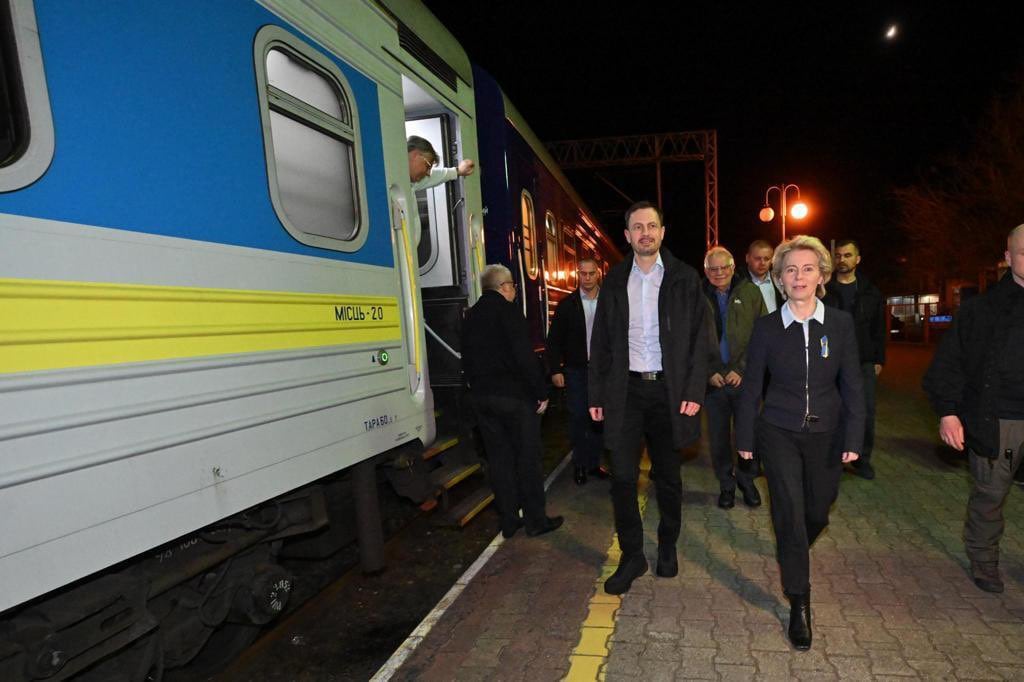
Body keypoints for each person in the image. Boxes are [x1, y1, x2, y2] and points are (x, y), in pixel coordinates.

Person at [736, 235, 864, 650]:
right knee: (789, 515)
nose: (799, 276)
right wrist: (744, 437)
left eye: (808, 268)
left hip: (827, 434)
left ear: (822, 275)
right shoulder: (767, 328)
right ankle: (800, 601)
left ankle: (795, 549)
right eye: (790, 269)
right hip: (778, 432)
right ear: (778, 278)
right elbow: (752, 384)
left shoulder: (841, 324)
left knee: (817, 512)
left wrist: (854, 434)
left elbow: (854, 386)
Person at [589, 201, 709, 595]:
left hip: (668, 391)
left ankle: (668, 544)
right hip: (625, 392)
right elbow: (602, 342)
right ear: (627, 235)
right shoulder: (614, 280)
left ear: (662, 232)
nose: (645, 233)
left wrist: (693, 390)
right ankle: (632, 555)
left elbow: (699, 340)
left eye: (652, 226)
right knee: (622, 476)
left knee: (668, 477)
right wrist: (596, 391)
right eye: (637, 227)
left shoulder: (684, 278)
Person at [922, 224, 1024, 594]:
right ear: (1008, 257)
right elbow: (949, 363)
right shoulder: (982, 309)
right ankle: (984, 561)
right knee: (991, 494)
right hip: (1002, 422)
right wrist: (948, 412)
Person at [462, 264, 563, 539]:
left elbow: (467, 360)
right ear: (504, 286)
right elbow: (524, 357)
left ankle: (508, 520)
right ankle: (535, 520)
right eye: (513, 287)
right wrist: (541, 393)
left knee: (499, 460)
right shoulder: (508, 311)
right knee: (528, 459)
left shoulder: (470, 316)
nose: (515, 292)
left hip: (483, 398)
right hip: (514, 399)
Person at [702, 246, 768, 509]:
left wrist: (741, 370)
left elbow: (762, 335)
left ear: (732, 267)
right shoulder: (697, 296)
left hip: (744, 380)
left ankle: (746, 480)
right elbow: (691, 338)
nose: (719, 273)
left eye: (723, 268)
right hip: (714, 382)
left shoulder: (750, 292)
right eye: (713, 269)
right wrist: (710, 372)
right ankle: (726, 485)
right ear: (706, 271)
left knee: (747, 435)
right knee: (718, 439)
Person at [823, 239, 886, 480]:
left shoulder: (871, 292)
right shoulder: (825, 292)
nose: (842, 260)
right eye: (838, 255)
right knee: (833, 412)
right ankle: (834, 458)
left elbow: (879, 328)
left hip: (863, 362)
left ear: (857, 259)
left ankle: (862, 459)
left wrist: (879, 358)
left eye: (847, 255)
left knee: (865, 412)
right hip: (833, 364)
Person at [546, 258, 607, 485]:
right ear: (578, 275)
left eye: (592, 273)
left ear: (598, 274)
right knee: (578, 417)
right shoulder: (567, 305)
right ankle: (580, 464)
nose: (588, 278)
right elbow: (554, 342)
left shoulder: (609, 302)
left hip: (603, 372)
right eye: (584, 274)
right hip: (576, 370)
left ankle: (593, 463)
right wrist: (555, 369)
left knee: (600, 418)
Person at [407, 135, 475, 191]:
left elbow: (434, 176)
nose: (428, 173)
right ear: (415, 155)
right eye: (427, 166)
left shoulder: (412, 183)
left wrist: (458, 171)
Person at [737, 239, 783, 313]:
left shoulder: (779, 281)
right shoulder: (737, 281)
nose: (762, 263)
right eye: (757, 259)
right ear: (747, 258)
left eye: (766, 259)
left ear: (772, 260)